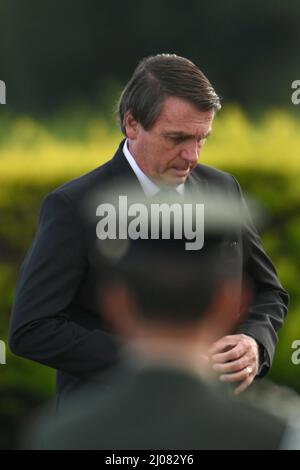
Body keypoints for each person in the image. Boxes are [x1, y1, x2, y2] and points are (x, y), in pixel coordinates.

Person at [9, 54, 288, 405]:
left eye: (203, 138)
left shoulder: (223, 188)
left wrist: (255, 343)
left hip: (213, 422)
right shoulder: (73, 206)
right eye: (177, 138)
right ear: (132, 124)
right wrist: (158, 363)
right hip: (106, 429)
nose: (193, 156)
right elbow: (32, 329)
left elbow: (268, 292)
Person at [27, 226, 288, 450]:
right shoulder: (276, 435)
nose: (191, 163)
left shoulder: (58, 435)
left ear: (116, 304)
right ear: (228, 302)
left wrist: (255, 341)